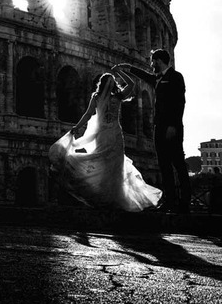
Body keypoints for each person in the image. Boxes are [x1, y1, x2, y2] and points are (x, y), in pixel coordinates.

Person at [48, 68, 162, 212]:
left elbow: (88, 114)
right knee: (112, 165)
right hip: (112, 133)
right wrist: (119, 71)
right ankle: (110, 199)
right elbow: (131, 84)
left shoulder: (99, 97)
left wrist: (77, 127)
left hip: (106, 133)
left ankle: (107, 199)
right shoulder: (116, 97)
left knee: (110, 164)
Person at [115, 49, 190, 213]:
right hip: (160, 126)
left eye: (153, 61)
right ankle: (170, 201)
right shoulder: (157, 78)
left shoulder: (176, 77)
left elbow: (179, 102)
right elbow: (145, 76)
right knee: (163, 164)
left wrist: (173, 125)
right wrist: (129, 67)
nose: (151, 64)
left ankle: (185, 202)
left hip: (172, 127)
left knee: (178, 163)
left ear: (159, 61)